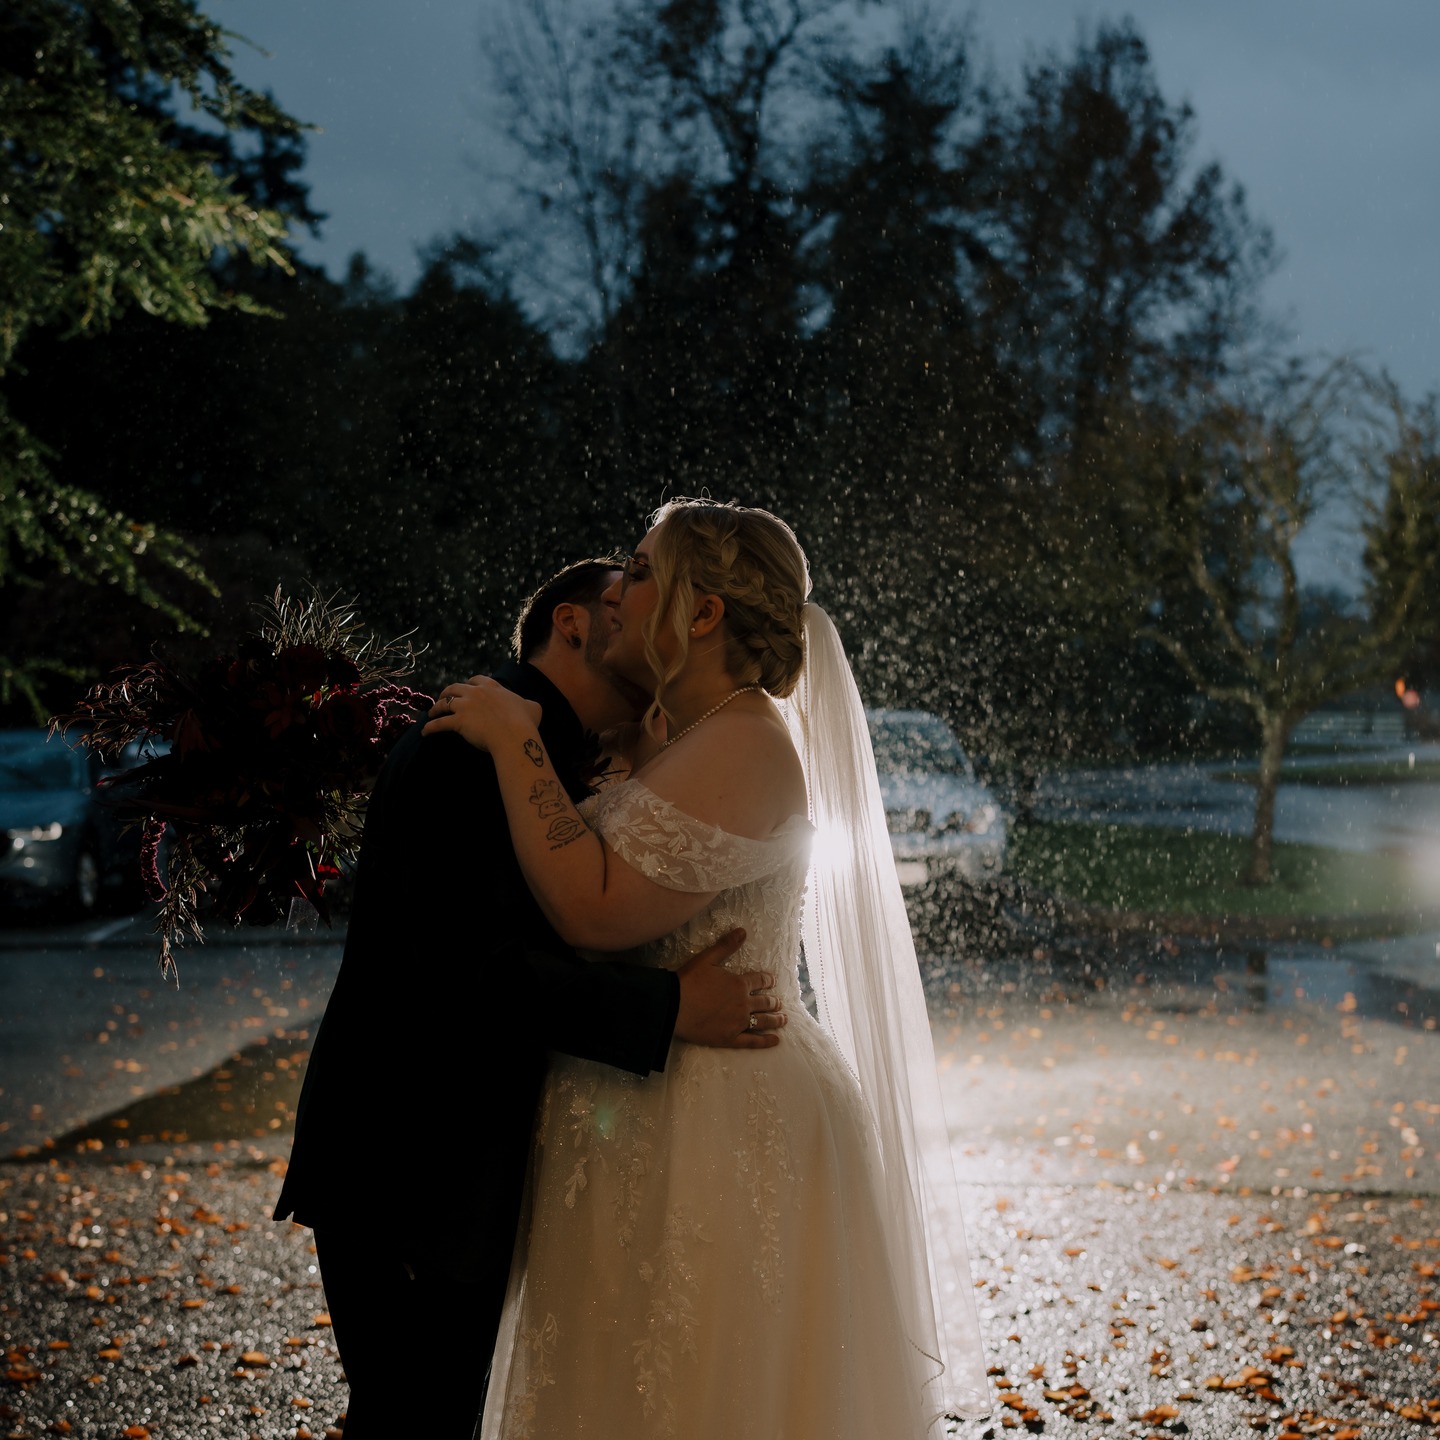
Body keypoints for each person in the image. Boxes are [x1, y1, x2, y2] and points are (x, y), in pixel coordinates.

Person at [426, 502, 990, 1438]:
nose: (620, 592)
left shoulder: (748, 743)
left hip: (716, 1118)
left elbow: (597, 912)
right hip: (633, 1097)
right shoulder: (673, 731)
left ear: (701, 614)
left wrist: (515, 738)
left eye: (641, 572)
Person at [273, 559, 788, 1440]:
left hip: (462, 1163)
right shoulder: (469, 747)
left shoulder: (565, 754)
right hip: (412, 1158)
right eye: (618, 597)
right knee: (411, 1419)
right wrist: (668, 1010)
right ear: (574, 624)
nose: (634, 612)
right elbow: (473, 968)